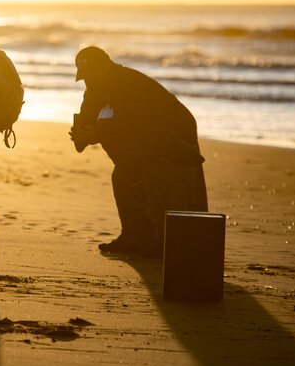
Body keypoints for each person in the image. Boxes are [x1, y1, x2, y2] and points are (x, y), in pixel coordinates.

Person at [69, 46, 208, 257]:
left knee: (157, 181)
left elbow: (137, 127)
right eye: (85, 76)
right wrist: (81, 136)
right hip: (144, 141)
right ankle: (133, 237)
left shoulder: (128, 84)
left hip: (173, 134)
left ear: (106, 66)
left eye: (93, 74)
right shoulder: (93, 91)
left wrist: (97, 135)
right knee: (122, 178)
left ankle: (161, 243)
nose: (90, 81)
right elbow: (89, 122)